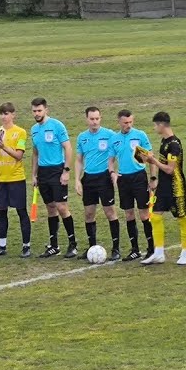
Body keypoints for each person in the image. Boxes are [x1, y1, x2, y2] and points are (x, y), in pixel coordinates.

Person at [27, 98, 78, 258]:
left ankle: (73, 244)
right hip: (43, 172)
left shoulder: (57, 125)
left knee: (61, 207)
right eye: (34, 111)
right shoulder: (34, 129)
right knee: (50, 207)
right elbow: (35, 153)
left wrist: (66, 171)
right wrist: (34, 174)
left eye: (39, 110)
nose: (37, 114)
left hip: (57, 170)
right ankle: (54, 245)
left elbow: (68, 148)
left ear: (46, 110)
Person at [143, 111, 186, 265]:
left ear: (161, 125)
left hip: (176, 186)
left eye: (155, 125)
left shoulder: (174, 144)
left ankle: (185, 253)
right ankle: (159, 253)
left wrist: (153, 161)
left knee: (181, 217)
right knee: (155, 216)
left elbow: (170, 169)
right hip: (163, 186)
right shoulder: (164, 141)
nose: (154, 128)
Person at [75, 107, 120, 261]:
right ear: (86, 119)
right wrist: (77, 180)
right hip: (88, 179)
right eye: (91, 119)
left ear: (100, 118)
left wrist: (114, 172)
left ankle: (116, 248)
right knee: (89, 214)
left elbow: (118, 153)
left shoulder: (110, 135)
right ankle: (92, 247)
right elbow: (79, 160)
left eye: (97, 118)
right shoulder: (82, 137)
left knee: (110, 212)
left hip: (104, 178)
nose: (94, 122)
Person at [0, 103, 31, 257]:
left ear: (13, 115)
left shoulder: (20, 132)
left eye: (6, 114)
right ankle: (1, 246)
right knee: (1, 212)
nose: (4, 117)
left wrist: (3, 146)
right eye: (2, 114)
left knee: (21, 211)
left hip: (16, 178)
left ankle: (26, 246)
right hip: (0, 179)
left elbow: (19, 156)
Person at [110, 109, 154, 261]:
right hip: (123, 179)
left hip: (139, 177)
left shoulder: (140, 135)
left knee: (144, 214)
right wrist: (112, 173)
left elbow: (150, 157)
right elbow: (111, 159)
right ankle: (135, 249)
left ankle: (151, 248)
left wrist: (153, 178)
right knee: (128, 214)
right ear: (119, 122)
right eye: (125, 123)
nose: (128, 125)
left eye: (130, 122)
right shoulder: (114, 139)